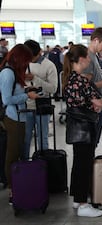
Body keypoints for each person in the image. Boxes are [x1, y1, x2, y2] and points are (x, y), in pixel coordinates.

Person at [62, 44, 102, 217]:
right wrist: (97, 104)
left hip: (76, 128)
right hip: (86, 128)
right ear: (80, 59)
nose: (89, 59)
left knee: (79, 164)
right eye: (87, 57)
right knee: (84, 165)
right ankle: (82, 204)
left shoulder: (70, 79)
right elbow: (100, 102)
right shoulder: (81, 80)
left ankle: (77, 199)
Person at [0, 44, 39, 204]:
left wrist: (26, 91)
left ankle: (17, 186)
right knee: (12, 155)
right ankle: (12, 189)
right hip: (12, 118)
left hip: (19, 117)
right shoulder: (8, 74)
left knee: (18, 153)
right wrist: (26, 96)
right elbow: (6, 100)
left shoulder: (12, 72)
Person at [23, 39, 58, 159]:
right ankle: (24, 164)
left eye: (32, 57)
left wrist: (35, 79)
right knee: (25, 137)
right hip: (26, 106)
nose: (29, 60)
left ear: (40, 52)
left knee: (42, 137)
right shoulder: (22, 64)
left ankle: (43, 164)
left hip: (42, 105)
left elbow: (53, 89)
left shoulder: (49, 65)